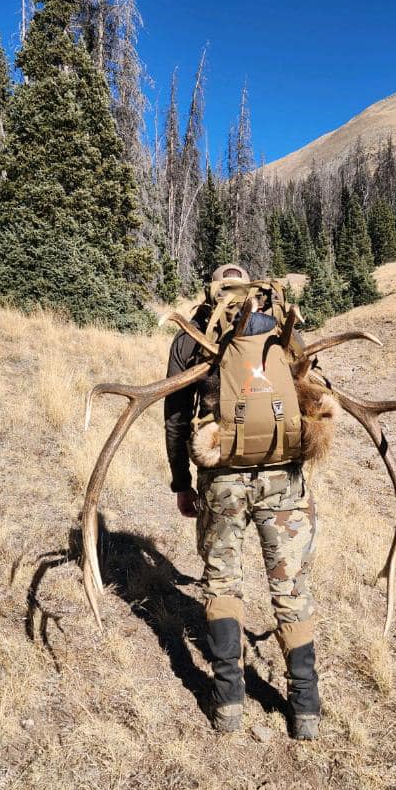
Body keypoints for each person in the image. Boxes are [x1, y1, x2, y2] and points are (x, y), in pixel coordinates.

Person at [164, 264, 320, 740]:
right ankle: (306, 710)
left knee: (223, 583)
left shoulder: (196, 333)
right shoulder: (281, 326)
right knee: (290, 589)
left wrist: (181, 481)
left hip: (220, 478)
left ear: (215, 290)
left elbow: (175, 416)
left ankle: (229, 702)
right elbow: (312, 394)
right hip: (282, 480)